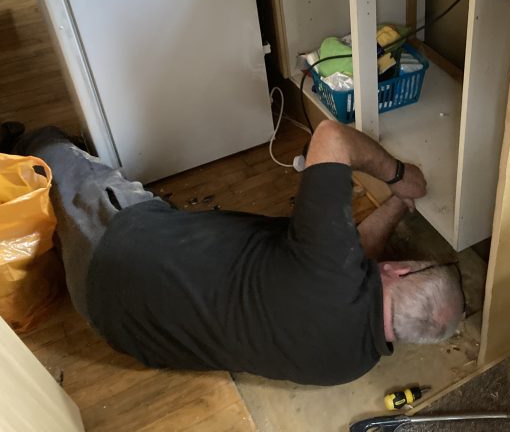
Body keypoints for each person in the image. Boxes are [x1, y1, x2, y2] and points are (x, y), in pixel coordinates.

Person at [8, 120, 464, 385]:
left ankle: (23, 137)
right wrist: (400, 206)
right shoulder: (354, 364)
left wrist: (399, 175)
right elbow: (354, 258)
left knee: (55, 157)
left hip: (114, 253)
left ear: (400, 270)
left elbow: (332, 136)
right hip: (128, 334)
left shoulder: (331, 264)